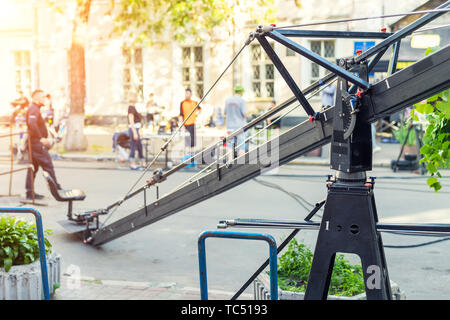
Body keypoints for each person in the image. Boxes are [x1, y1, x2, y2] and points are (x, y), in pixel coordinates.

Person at [25, 89, 61, 200]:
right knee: (48, 165)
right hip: (36, 144)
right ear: (35, 98)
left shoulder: (35, 109)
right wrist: (41, 138)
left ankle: (30, 192)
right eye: (41, 97)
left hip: (34, 143)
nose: (43, 99)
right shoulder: (33, 109)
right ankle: (58, 191)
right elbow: (32, 123)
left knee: (33, 169)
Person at [224, 84, 247, 157]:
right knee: (241, 145)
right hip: (240, 126)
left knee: (230, 145)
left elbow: (224, 112)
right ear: (241, 92)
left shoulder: (228, 100)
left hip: (230, 126)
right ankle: (241, 163)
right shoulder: (242, 100)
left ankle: (230, 162)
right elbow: (245, 114)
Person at [179, 88, 201, 154]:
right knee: (187, 140)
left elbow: (200, 109)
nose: (187, 95)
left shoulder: (194, 102)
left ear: (191, 94)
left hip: (193, 123)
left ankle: (192, 154)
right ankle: (188, 154)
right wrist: (181, 125)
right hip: (186, 124)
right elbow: (181, 114)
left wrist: (196, 115)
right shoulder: (182, 103)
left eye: (188, 93)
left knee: (193, 140)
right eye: (186, 93)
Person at [127, 94, 145, 169]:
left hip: (136, 129)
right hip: (133, 129)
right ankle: (132, 163)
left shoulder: (133, 107)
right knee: (134, 146)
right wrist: (134, 132)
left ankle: (142, 161)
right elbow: (131, 121)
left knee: (139, 146)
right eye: (135, 96)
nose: (136, 98)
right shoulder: (131, 107)